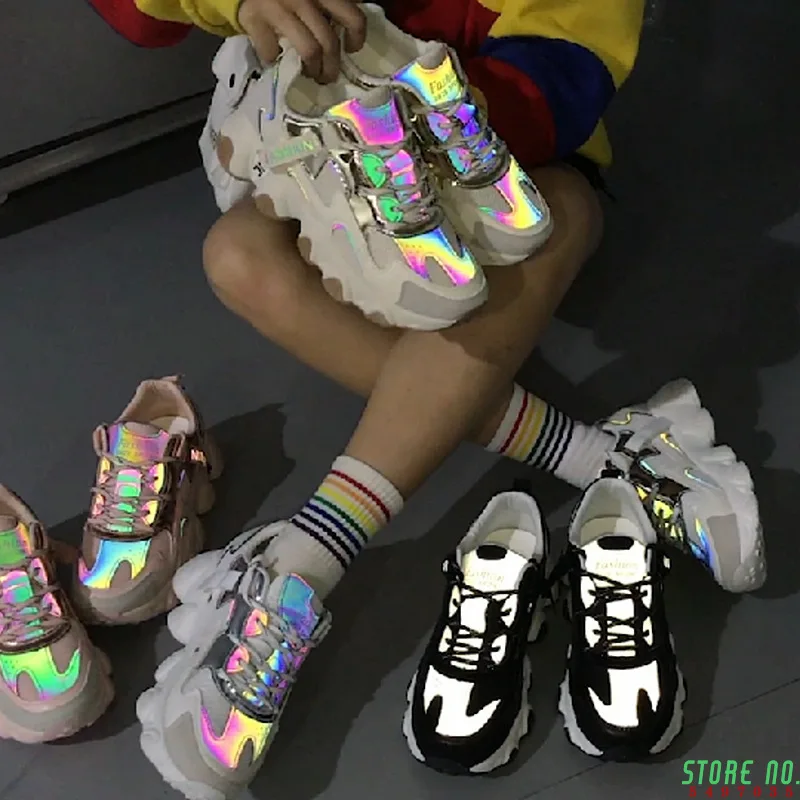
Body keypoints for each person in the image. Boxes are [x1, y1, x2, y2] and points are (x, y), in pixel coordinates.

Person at [88, 0, 765, 794]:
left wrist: (412, 120)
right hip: (330, 172)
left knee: (561, 214)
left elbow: (564, 74)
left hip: (503, 164)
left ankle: (300, 565)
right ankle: (598, 456)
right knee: (237, 255)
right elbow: (137, 19)